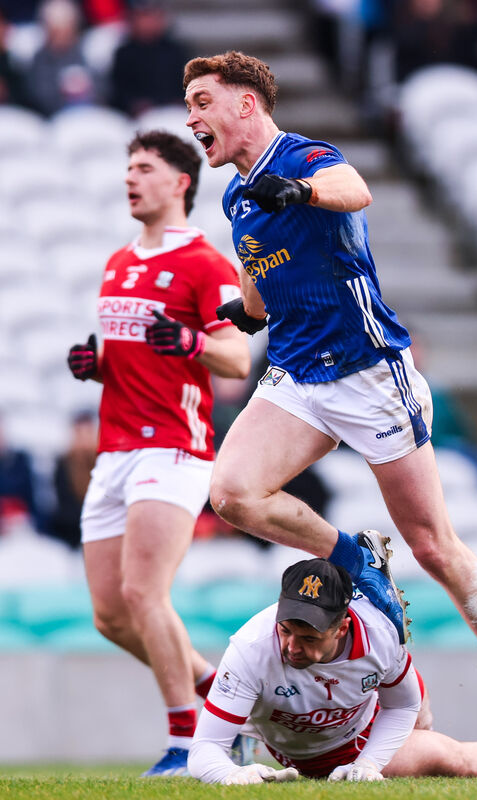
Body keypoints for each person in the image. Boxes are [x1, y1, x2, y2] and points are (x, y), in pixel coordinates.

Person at [183, 50, 477, 778]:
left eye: (201, 101)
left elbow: (353, 190)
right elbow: (259, 270)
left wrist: (302, 192)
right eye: (188, 105)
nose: (192, 117)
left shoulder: (306, 158)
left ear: (246, 105)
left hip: (367, 372)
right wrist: (246, 314)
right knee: (230, 494)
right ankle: (354, 560)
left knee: (437, 547)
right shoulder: (235, 197)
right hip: (296, 374)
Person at [66, 129, 251, 776]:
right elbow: (129, 357)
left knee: (146, 594)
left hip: (173, 448)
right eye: (126, 169)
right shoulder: (118, 262)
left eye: (143, 168)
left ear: (179, 183)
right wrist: (95, 367)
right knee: (111, 615)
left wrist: (194, 342)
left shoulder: (206, 263)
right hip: (114, 450)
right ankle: (219, 692)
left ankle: (187, 743)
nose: (129, 179)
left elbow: (237, 353)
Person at [188, 557, 477, 784]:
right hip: (297, 749)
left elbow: (405, 704)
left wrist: (368, 763)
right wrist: (231, 776)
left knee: (450, 758)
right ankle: (249, 746)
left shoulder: (378, 636)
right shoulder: (251, 647)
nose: (291, 645)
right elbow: (204, 751)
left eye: (309, 637)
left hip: (364, 730)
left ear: (342, 624)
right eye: (286, 630)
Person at [108, 0, 189, 117]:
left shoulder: (176, 51)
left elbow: (187, 84)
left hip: (173, 113)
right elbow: (118, 92)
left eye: (154, 17)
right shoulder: (124, 53)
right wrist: (134, 105)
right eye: (144, 17)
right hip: (136, 117)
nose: (149, 22)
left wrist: (179, 101)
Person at [49, 410, 98, 549]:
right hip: (73, 532)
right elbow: (64, 504)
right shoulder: (63, 463)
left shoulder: (103, 461)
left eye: (87, 433)